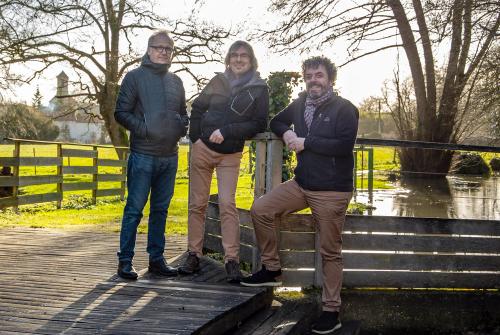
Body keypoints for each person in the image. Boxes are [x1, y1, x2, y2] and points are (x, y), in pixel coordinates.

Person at [240, 56, 359, 334]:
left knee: (330, 252)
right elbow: (275, 121)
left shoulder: (345, 109)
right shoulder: (300, 104)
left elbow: (343, 146)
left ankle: (331, 310)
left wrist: (307, 142)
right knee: (261, 209)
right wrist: (288, 136)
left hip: (332, 190)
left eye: (318, 75)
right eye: (308, 76)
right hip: (302, 184)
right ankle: (272, 269)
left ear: (330, 79)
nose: (313, 81)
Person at [178, 40, 269, 283]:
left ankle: (231, 260)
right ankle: (193, 255)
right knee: (197, 204)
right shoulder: (217, 81)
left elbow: (259, 124)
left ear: (251, 61)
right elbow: (197, 109)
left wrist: (228, 130)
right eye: (235, 55)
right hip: (202, 150)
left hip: (230, 154)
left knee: (228, 204)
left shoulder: (259, 88)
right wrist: (196, 138)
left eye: (244, 56)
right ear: (228, 59)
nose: (239, 59)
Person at [114, 30, 188, 280]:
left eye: (169, 49)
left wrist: (181, 126)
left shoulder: (176, 82)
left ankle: (156, 259)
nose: (164, 52)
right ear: (149, 49)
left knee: (161, 210)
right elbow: (121, 112)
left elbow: (183, 114)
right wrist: (146, 129)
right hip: (143, 155)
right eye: (159, 47)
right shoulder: (134, 77)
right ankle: (125, 261)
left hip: (170, 156)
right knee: (134, 209)